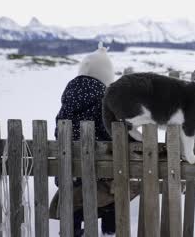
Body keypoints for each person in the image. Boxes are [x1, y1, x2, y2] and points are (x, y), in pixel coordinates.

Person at [49, 42, 137, 236]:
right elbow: (110, 132)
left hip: (69, 171)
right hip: (99, 171)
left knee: (75, 206)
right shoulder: (105, 100)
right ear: (106, 77)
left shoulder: (68, 97)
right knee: (112, 194)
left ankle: (72, 231)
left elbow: (59, 131)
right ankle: (109, 231)